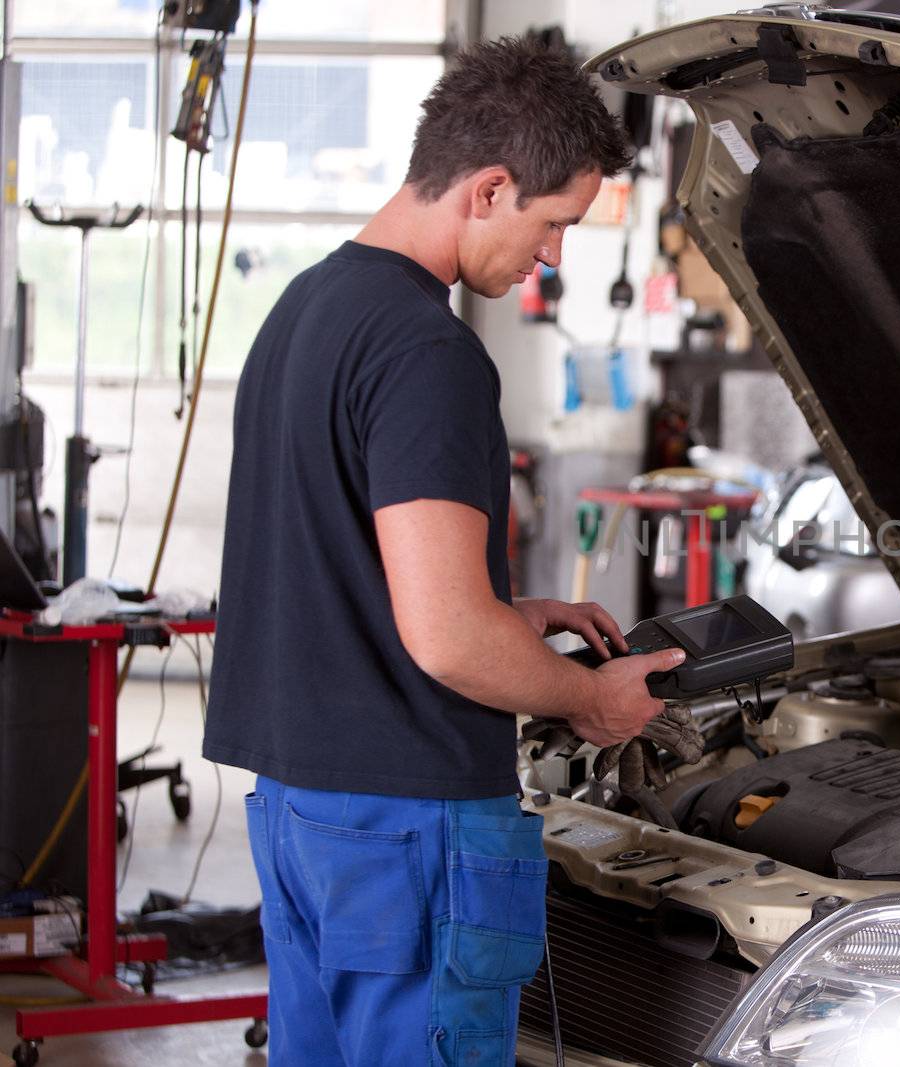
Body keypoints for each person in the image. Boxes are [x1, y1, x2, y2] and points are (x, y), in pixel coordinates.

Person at [204, 36, 676, 1066]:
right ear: (489, 187)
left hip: (303, 813)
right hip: (406, 825)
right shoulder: (429, 353)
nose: (551, 256)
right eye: (552, 224)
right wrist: (589, 698)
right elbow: (448, 637)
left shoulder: (305, 310)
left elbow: (343, 569)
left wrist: (517, 614)